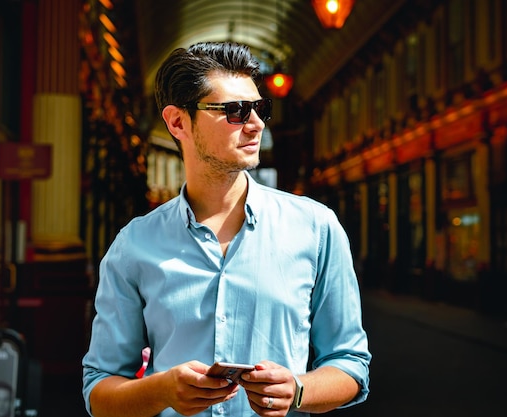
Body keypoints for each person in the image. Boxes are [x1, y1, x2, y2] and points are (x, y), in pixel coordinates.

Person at [82, 41, 371, 417]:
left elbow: (350, 364)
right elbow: (99, 389)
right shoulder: (134, 245)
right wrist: (163, 390)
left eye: (259, 108)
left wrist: (298, 390)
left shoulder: (316, 228)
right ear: (177, 122)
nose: (256, 124)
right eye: (235, 111)